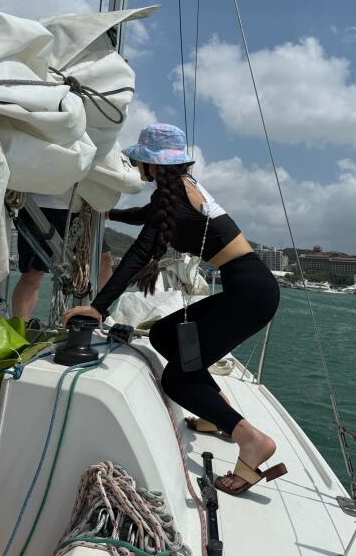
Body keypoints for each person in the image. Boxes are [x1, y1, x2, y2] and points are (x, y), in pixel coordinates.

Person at [62, 124, 286, 495]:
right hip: (251, 287)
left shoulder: (176, 198)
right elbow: (147, 216)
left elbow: (138, 254)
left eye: (140, 161)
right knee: (166, 335)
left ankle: (251, 440)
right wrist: (109, 213)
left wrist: (97, 308)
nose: (138, 167)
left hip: (250, 294)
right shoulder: (181, 189)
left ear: (152, 164)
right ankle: (216, 413)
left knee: (177, 380)